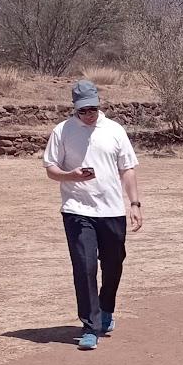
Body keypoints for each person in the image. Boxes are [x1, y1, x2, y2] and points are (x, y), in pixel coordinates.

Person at [42, 78, 142, 350]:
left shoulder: (115, 131)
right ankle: (90, 326)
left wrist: (134, 203)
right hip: (77, 209)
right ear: (74, 109)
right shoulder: (62, 131)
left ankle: (106, 307)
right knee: (84, 266)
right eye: (82, 111)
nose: (88, 115)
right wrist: (70, 175)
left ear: (99, 105)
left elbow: (128, 169)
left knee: (113, 263)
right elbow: (51, 168)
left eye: (92, 109)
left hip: (111, 210)